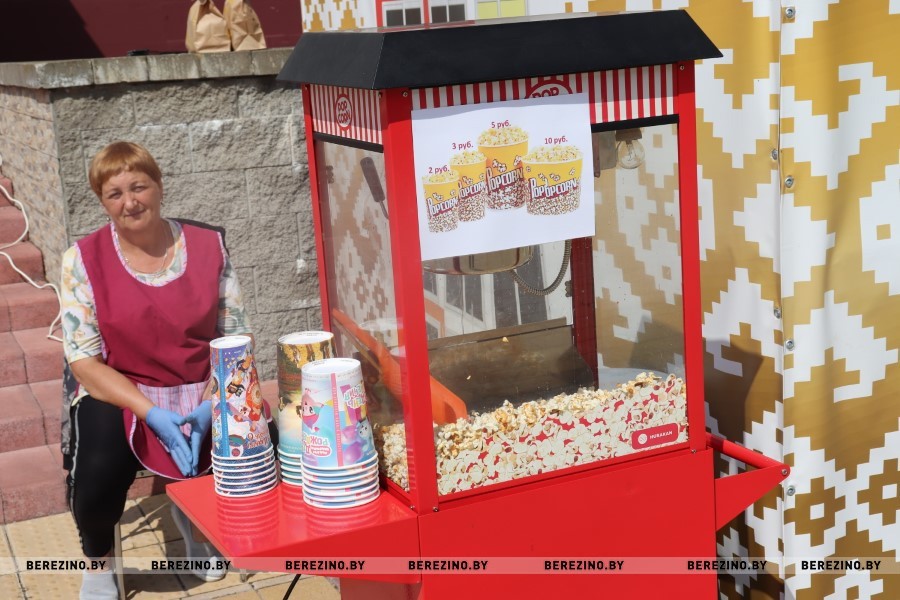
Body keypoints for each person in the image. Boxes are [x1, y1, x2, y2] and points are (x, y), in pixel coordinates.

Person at [60, 141, 255, 598]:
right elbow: (84, 360)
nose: (130, 202)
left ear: (159, 186)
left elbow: (236, 337)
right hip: (121, 387)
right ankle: (98, 561)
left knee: (253, 441)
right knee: (98, 470)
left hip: (202, 383)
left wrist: (211, 403)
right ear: (102, 202)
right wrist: (149, 412)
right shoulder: (81, 260)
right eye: (114, 194)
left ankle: (198, 519)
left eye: (139, 187)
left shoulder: (208, 246)